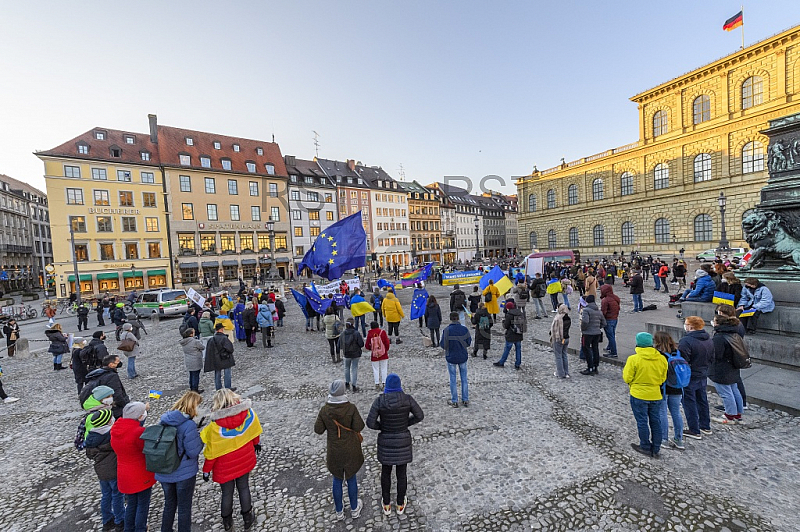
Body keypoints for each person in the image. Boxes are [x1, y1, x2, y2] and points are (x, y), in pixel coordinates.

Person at [201, 389, 262, 531]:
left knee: (227, 493)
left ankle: (227, 522)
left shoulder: (214, 427)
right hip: (244, 459)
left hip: (224, 466)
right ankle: (247, 517)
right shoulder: (248, 414)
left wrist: (206, 470)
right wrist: (256, 443)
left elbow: (211, 452)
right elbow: (254, 431)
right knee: (244, 487)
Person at [366, 374, 424, 517]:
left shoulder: (380, 401)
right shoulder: (407, 399)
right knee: (401, 474)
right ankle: (400, 503)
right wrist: (405, 424)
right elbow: (420, 415)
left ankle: (386, 504)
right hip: (402, 441)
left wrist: (383, 427)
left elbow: (370, 422)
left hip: (386, 441)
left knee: (385, 473)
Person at [314, 380, 365, 521]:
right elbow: (359, 426)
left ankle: (339, 511)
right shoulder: (351, 408)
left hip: (334, 451)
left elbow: (318, 430)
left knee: (337, 478)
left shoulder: (325, 410)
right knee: (351, 477)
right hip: (350, 449)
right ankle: (354, 508)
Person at [156, 391, 204, 532]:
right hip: (184, 473)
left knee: (169, 504)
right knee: (184, 507)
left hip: (164, 471)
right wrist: (199, 439)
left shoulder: (164, 420)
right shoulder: (188, 425)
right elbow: (193, 451)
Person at [111, 401, 155, 532]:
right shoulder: (138, 432)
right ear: (139, 417)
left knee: (131, 504)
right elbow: (147, 450)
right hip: (140, 474)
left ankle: (128, 529)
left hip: (124, 474)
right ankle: (140, 528)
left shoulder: (116, 430)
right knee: (142, 504)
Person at [623, 333, 668, 458]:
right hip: (655, 394)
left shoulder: (634, 359)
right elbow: (663, 378)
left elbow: (627, 377)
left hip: (638, 394)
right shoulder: (661, 358)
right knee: (656, 421)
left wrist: (633, 384)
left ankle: (645, 446)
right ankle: (656, 447)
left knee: (642, 421)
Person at [84, 408, 124, 532]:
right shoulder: (110, 435)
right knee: (117, 495)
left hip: (101, 471)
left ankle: (107, 520)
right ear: (107, 421)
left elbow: (90, 454)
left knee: (106, 495)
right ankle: (120, 520)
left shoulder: (91, 436)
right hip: (113, 469)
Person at [678, 316, 714, 440]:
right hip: (703, 372)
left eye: (686, 323)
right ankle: (705, 425)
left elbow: (682, 360)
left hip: (690, 375)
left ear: (691, 326)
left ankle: (694, 429)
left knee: (689, 402)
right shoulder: (708, 339)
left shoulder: (686, 341)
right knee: (702, 399)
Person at [710, 314, 746, 424]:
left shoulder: (719, 337)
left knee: (726, 393)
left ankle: (729, 416)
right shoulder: (734, 333)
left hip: (722, 369)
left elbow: (717, 355)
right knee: (734, 390)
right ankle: (738, 414)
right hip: (733, 366)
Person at [653, 332, 685, 451]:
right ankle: (678, 439)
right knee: (676, 413)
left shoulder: (659, 354)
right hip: (677, 386)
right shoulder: (677, 352)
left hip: (664, 386)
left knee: (662, 412)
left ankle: (664, 439)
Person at [84, 355, 130, 419]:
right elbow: (117, 394)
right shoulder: (111, 376)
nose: (120, 363)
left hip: (103, 405)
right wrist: (125, 405)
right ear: (111, 364)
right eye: (118, 361)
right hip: (115, 409)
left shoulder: (99, 373)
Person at [442, 312, 471, 407]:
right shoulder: (464, 329)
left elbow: (443, 345)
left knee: (453, 379)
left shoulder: (447, 330)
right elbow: (469, 342)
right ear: (458, 318)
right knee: (464, 379)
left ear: (450, 319)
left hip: (451, 356)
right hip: (462, 355)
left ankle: (454, 400)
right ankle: (465, 399)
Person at [204, 323, 236, 391]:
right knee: (227, 373)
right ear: (221, 329)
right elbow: (230, 348)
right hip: (225, 358)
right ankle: (228, 387)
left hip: (216, 359)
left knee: (217, 374)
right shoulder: (224, 338)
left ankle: (218, 388)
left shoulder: (212, 339)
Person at [493, 300, 525, 370]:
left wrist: (504, 321)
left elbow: (506, 326)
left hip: (511, 334)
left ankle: (502, 362)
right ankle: (517, 364)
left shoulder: (509, 315)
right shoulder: (520, 313)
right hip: (519, 334)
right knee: (518, 349)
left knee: (507, 349)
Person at [579, 295, 606, 376]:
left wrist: (583, 329)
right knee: (595, 349)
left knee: (586, 349)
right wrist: (597, 327)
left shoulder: (586, 310)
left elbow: (585, 322)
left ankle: (590, 367)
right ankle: (595, 367)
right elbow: (604, 323)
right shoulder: (599, 311)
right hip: (597, 333)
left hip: (587, 333)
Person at [338, 319, 364, 393]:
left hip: (346, 353)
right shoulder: (356, 333)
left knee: (346, 368)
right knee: (354, 368)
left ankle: (347, 382)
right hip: (356, 353)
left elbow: (339, 345)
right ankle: (354, 385)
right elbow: (361, 344)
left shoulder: (342, 334)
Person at [365, 321, 391, 390]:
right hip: (383, 353)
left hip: (374, 354)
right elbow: (387, 342)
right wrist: (386, 349)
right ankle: (384, 382)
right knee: (384, 368)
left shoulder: (370, 334)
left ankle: (377, 383)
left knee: (375, 369)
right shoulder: (382, 332)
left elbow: (367, 345)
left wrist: (372, 349)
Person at [180, 328, 205, 393]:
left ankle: (192, 388)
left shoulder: (184, 342)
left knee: (191, 375)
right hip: (196, 360)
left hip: (188, 360)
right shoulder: (195, 341)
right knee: (196, 376)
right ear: (191, 334)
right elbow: (202, 347)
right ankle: (195, 390)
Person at [550, 304, 571, 378]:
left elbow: (553, 329)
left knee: (558, 356)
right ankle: (566, 372)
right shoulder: (568, 318)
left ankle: (560, 373)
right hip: (566, 338)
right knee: (564, 355)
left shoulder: (558, 318)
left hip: (559, 339)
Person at [600, 284, 620, 358]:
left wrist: (601, 320)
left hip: (608, 319)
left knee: (610, 336)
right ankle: (609, 347)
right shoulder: (616, 298)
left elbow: (603, 312)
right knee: (612, 334)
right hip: (615, 318)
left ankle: (613, 352)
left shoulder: (605, 300)